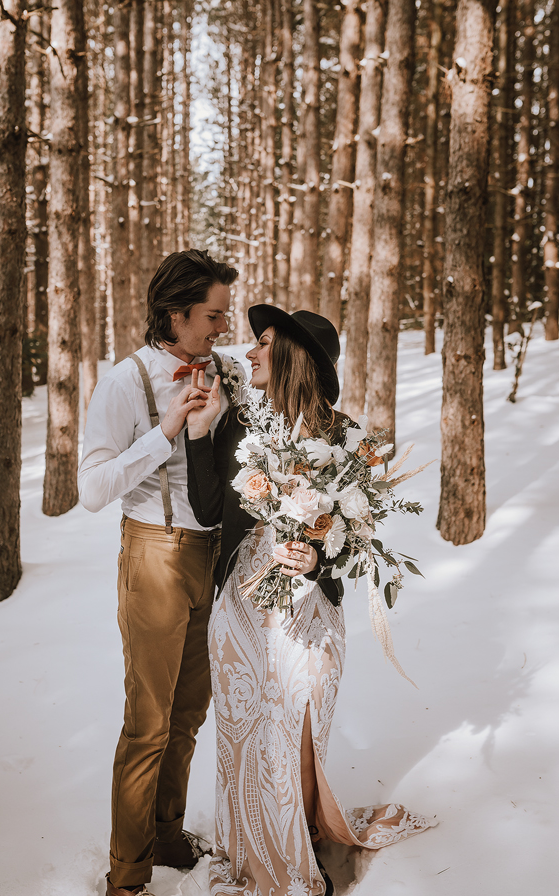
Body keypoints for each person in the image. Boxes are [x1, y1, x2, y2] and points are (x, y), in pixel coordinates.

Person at [185, 305, 433, 896]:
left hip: (311, 609)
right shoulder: (243, 427)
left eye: (263, 342)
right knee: (246, 734)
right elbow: (208, 511)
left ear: (294, 354)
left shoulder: (346, 439)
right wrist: (200, 433)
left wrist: (317, 557)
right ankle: (254, 856)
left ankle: (297, 850)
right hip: (244, 604)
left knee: (298, 727)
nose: (249, 353)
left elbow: (361, 541)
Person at [78, 250, 242, 896]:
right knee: (147, 722)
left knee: (190, 713)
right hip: (153, 552)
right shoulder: (127, 380)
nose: (221, 327)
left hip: (215, 556)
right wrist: (166, 429)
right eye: (212, 315)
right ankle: (126, 875)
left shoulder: (227, 372)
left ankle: (169, 836)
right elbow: (91, 489)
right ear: (175, 313)